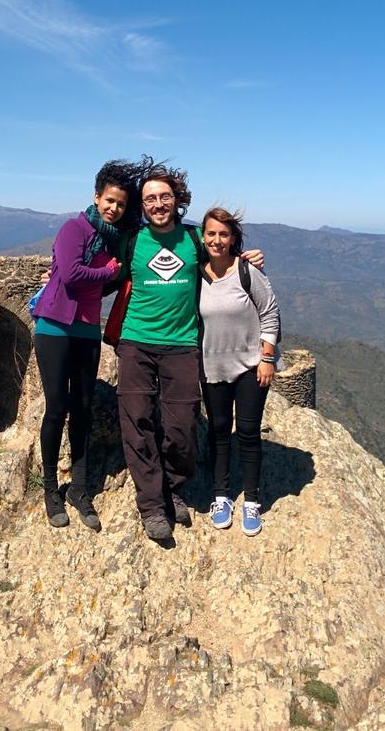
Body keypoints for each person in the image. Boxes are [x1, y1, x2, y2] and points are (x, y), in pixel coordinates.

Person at [112, 158, 263, 540]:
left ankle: (172, 488)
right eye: (150, 199)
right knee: (137, 422)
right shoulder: (132, 240)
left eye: (165, 197)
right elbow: (102, 273)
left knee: (180, 428)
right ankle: (151, 505)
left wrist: (247, 259)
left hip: (181, 345)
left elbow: (224, 263)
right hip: (136, 342)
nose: (158, 204)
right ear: (141, 206)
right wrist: (59, 275)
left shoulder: (195, 239)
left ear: (177, 200)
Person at [31, 159, 141, 530]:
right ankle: (50, 489)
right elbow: (75, 274)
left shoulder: (113, 239)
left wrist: (111, 275)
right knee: (56, 408)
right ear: (97, 197)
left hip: (87, 331)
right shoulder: (73, 228)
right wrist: (108, 271)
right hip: (55, 327)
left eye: (121, 204)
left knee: (82, 408)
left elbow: (105, 284)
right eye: (110, 200)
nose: (114, 208)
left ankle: (79, 489)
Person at [198, 207, 281, 536]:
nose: (217, 240)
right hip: (211, 365)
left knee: (247, 432)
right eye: (211, 234)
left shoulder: (247, 271)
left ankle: (252, 501)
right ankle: (221, 495)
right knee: (218, 431)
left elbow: (270, 312)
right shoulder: (195, 274)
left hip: (250, 366)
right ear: (202, 237)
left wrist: (267, 358)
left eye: (224, 234)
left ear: (233, 238)